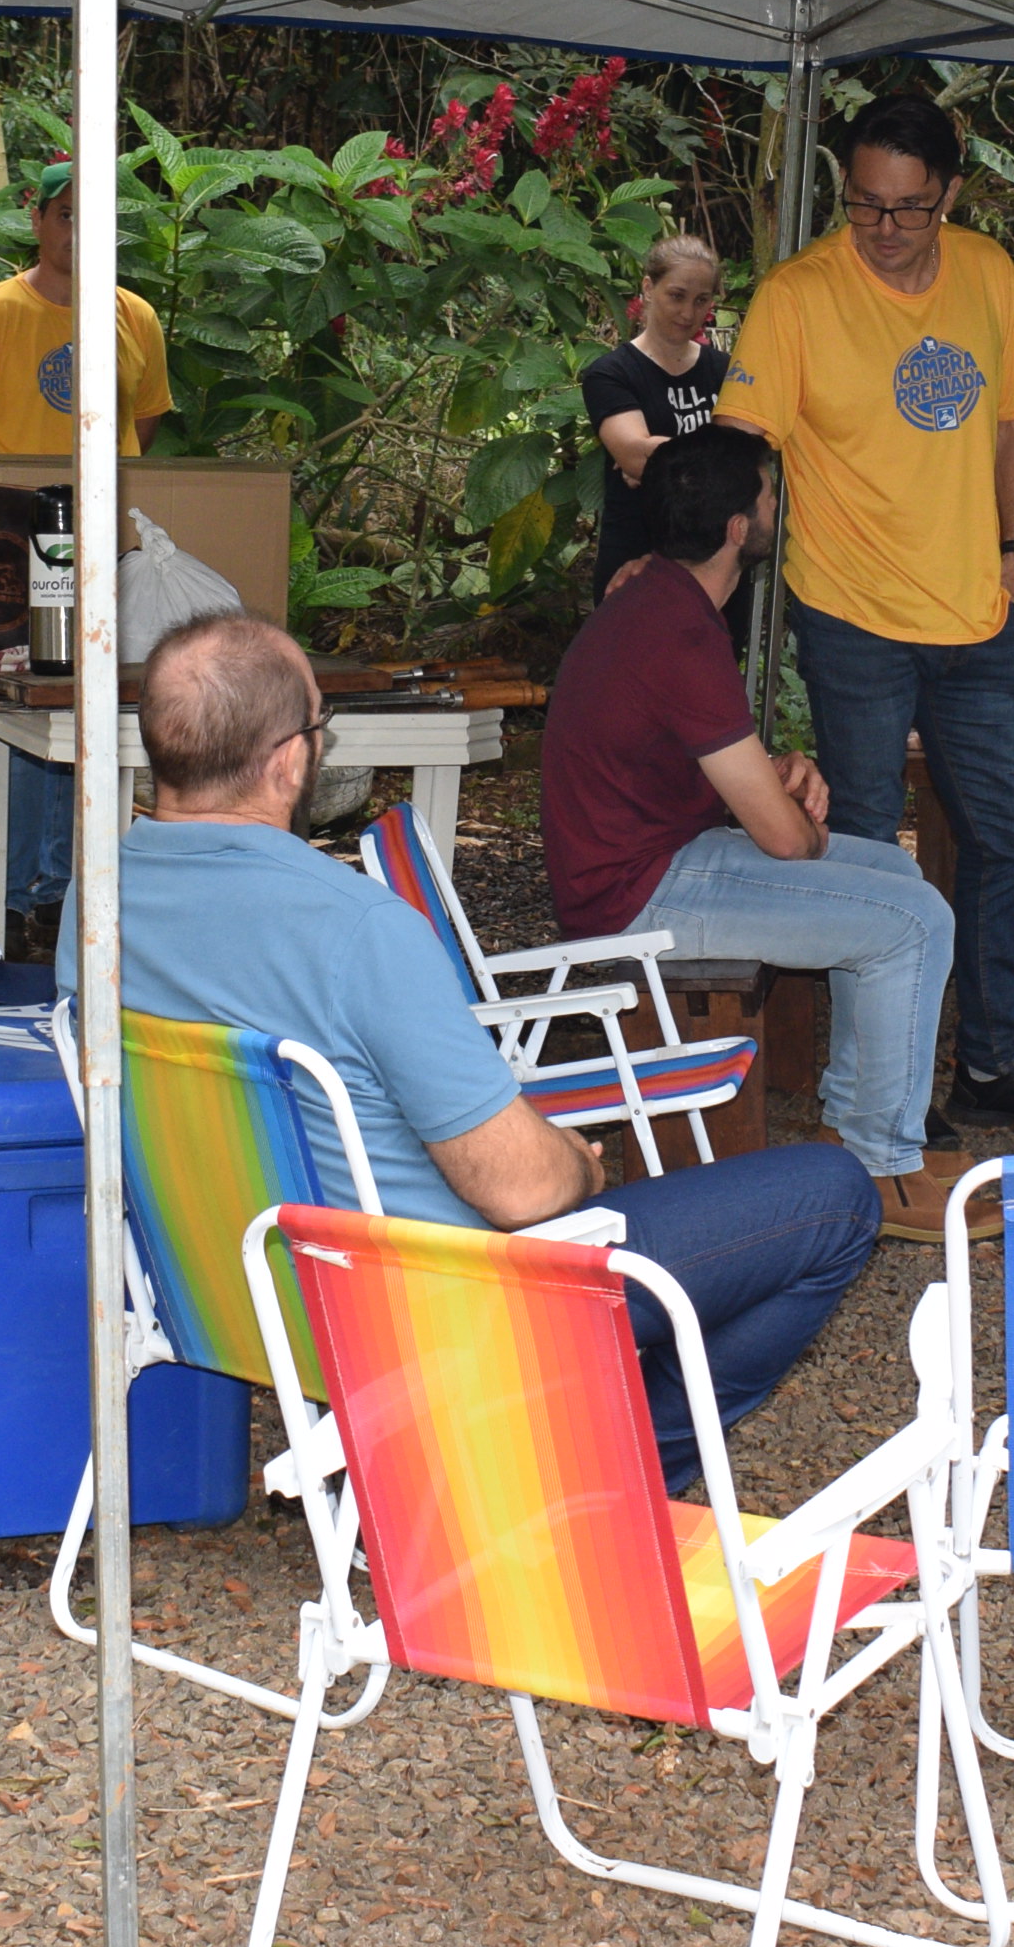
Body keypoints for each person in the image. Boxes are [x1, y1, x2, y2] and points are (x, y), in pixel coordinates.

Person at [126, 612, 878, 1490]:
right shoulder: (358, 928)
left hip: (238, 1292)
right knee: (833, 1198)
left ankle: (534, 1445)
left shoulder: (97, 906)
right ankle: (608, 1474)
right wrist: (578, 1165)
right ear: (290, 760)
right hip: (443, 1304)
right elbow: (521, 1191)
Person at [718, 92, 1014, 1140]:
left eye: (910, 210)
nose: (886, 232)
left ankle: (992, 1063)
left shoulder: (985, 271)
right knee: (858, 843)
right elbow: (742, 453)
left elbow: (1013, 426)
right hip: (849, 610)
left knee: (1010, 828)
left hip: (980, 613)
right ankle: (877, 1084)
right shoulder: (794, 298)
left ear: (948, 192)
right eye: (863, 209)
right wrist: (692, 559)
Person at [540, 428, 966, 1229]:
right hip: (638, 895)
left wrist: (780, 769)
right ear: (739, 526)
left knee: (898, 876)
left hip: (653, 855)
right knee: (917, 921)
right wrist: (793, 816)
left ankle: (852, 1118)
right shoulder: (678, 629)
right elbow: (783, 841)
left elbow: (698, 752)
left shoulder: (660, 600)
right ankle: (880, 1164)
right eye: (769, 495)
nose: (777, 509)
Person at [0, 164, 176, 945]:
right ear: (39, 222)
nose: (77, 231)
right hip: (11, 546)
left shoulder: (136, 318)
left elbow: (145, 423)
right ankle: (12, 891)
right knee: (22, 715)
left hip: (103, 549)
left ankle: (67, 889)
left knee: (92, 712)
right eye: (65, 214)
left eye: (93, 217)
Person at [583, 235, 747, 652]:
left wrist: (665, 459)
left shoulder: (725, 371)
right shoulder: (611, 373)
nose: (688, 312)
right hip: (636, 565)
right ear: (647, 288)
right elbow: (633, 454)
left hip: (716, 570)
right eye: (677, 295)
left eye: (701, 300)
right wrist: (715, 456)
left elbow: (749, 458)